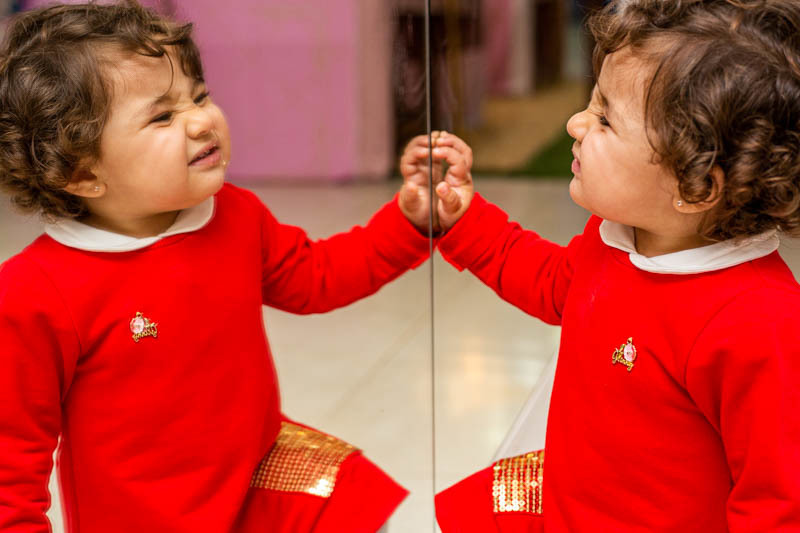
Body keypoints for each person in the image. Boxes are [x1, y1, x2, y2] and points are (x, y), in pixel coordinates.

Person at [0, 2, 435, 531]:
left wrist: (408, 223)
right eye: (162, 115)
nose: (203, 119)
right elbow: (13, 461)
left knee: (358, 507)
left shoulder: (234, 214)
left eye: (199, 96)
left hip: (258, 472)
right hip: (145, 517)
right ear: (80, 172)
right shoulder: (34, 291)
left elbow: (316, 278)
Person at [409, 1, 800, 531]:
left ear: (697, 184)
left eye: (605, 119)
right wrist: (464, 221)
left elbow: (777, 499)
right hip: (572, 504)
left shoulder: (759, 322)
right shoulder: (616, 237)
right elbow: (554, 284)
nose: (575, 123)